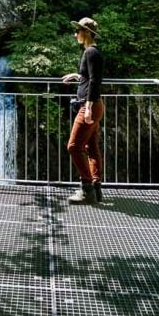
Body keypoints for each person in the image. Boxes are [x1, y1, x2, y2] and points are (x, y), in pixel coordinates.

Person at [61, 17, 104, 204]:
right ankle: (96, 187)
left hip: (90, 106)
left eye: (78, 31)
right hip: (94, 105)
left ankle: (87, 190)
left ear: (86, 33)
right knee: (92, 147)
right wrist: (76, 75)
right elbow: (89, 77)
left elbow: (95, 82)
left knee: (73, 146)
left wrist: (87, 107)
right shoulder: (91, 52)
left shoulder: (91, 53)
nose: (75, 34)